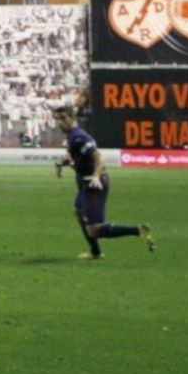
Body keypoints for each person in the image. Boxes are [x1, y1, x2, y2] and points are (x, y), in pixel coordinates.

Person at [53, 106, 153, 260]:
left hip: (95, 185)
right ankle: (95, 252)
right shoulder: (72, 136)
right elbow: (80, 157)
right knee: (78, 212)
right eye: (57, 119)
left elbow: (99, 156)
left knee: (94, 230)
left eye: (63, 118)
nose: (60, 122)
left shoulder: (79, 137)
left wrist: (95, 175)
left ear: (73, 117)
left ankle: (138, 230)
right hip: (85, 185)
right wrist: (64, 162)